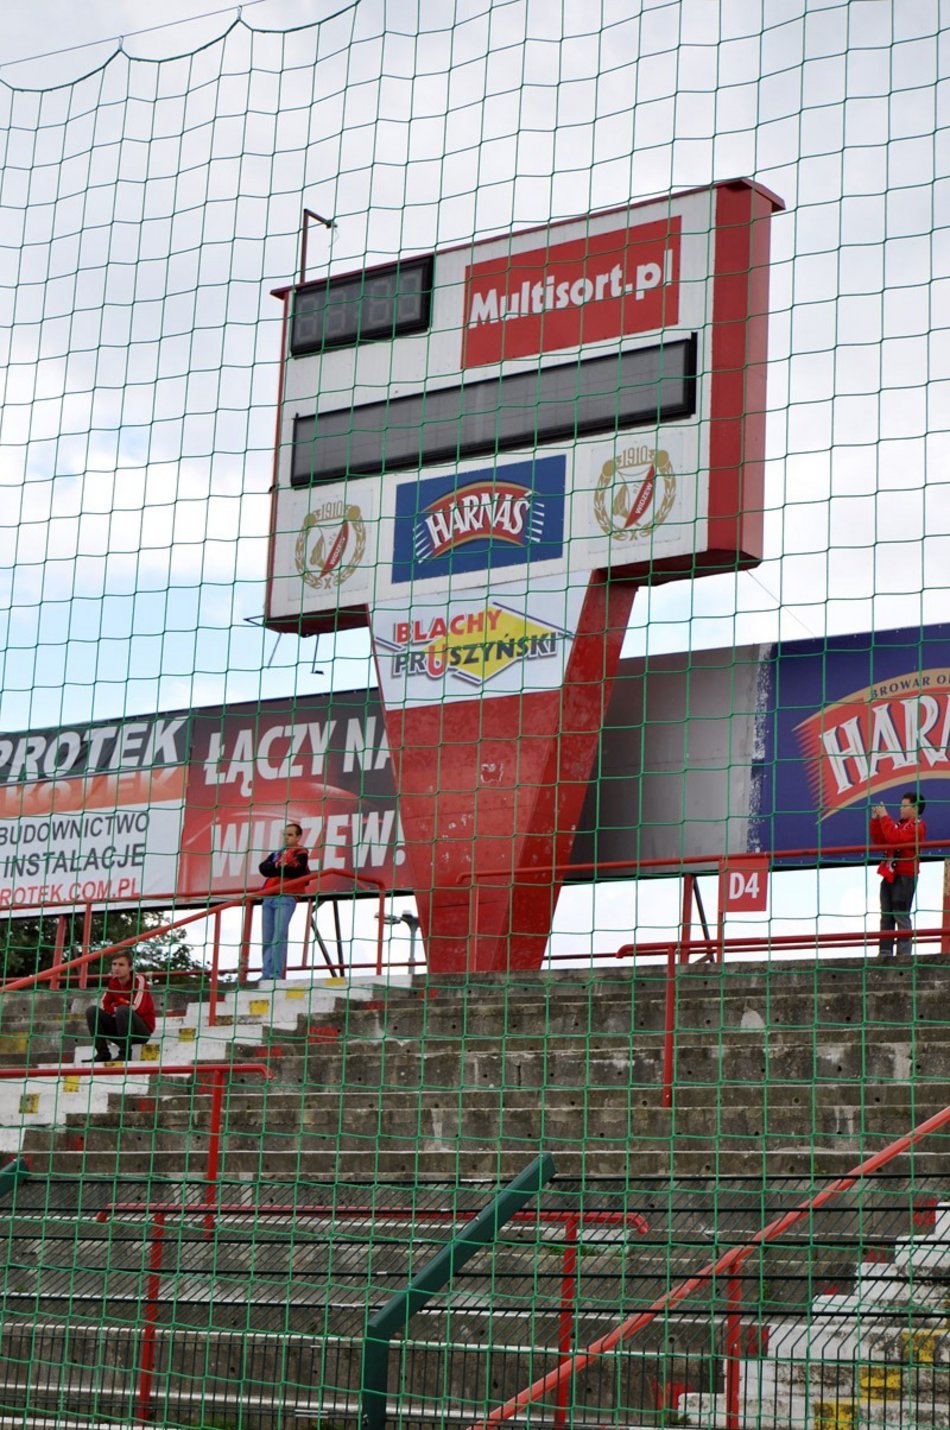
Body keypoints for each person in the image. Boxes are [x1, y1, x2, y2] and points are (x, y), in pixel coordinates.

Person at [870, 792, 927, 958]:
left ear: (915, 808)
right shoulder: (898, 825)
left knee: (900, 915)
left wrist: (885, 817)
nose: (900, 809)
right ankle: (885, 952)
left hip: (905, 876)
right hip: (889, 874)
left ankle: (904, 955)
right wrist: (876, 820)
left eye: (904, 805)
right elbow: (881, 840)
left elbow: (894, 838)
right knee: (886, 915)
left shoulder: (918, 826)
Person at [259, 822, 310, 982]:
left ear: (298, 837)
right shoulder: (277, 853)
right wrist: (278, 866)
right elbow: (263, 868)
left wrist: (276, 867)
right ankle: (266, 973)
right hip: (269, 896)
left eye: (290, 835)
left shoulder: (301, 853)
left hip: (286, 896)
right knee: (267, 937)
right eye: (285, 834)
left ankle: (275, 973)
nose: (286, 837)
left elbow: (296, 870)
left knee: (278, 935)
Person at [86, 953, 156, 1062]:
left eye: (121, 965)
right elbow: (103, 1005)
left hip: (140, 1032)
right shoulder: (113, 982)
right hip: (120, 1030)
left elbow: (137, 1008)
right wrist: (118, 1008)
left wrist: (116, 1007)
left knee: (123, 1010)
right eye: (114, 964)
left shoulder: (138, 980)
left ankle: (125, 1054)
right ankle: (103, 1053)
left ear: (130, 967)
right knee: (92, 1011)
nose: (116, 968)